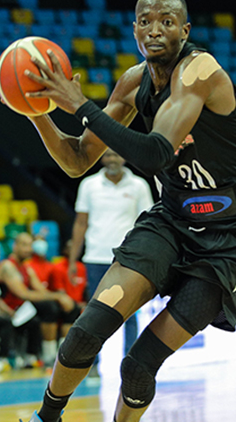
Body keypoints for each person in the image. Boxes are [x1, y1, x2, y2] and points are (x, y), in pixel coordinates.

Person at [20, 0, 236, 422]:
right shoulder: (132, 83)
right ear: (135, 29)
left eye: (167, 22)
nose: (155, 30)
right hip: (174, 220)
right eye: (145, 21)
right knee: (86, 331)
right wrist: (37, 113)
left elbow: (156, 153)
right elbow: (78, 160)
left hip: (234, 238)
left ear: (185, 30)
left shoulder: (200, 71)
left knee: (138, 365)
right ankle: (46, 418)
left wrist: (79, 104)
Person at [68, 148, 152, 356]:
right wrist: (72, 260)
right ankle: (90, 361)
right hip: (95, 256)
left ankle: (130, 359)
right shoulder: (89, 185)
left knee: (130, 312)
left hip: (128, 258)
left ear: (124, 156)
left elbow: (148, 222)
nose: (112, 159)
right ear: (100, 158)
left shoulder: (139, 185)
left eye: (116, 154)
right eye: (107, 155)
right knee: (93, 314)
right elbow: (80, 223)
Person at [0, 233, 80, 367]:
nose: (28, 249)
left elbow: (41, 291)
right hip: (10, 310)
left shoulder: (26, 268)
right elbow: (24, 294)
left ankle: (65, 352)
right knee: (49, 307)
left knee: (70, 308)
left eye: (30, 245)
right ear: (14, 246)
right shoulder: (8, 266)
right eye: (24, 245)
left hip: (25, 310)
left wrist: (62, 298)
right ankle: (49, 355)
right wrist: (57, 296)